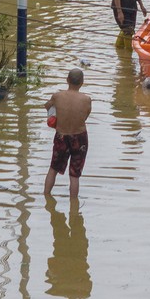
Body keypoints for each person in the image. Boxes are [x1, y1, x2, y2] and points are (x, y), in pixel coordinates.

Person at [44, 68, 92, 200]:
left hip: (61, 136)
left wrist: (53, 113)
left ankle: (47, 198)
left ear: (67, 80)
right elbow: (85, 117)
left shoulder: (57, 96)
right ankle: (73, 207)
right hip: (80, 137)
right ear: (82, 83)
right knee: (74, 175)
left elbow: (47, 106)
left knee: (53, 168)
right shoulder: (86, 99)